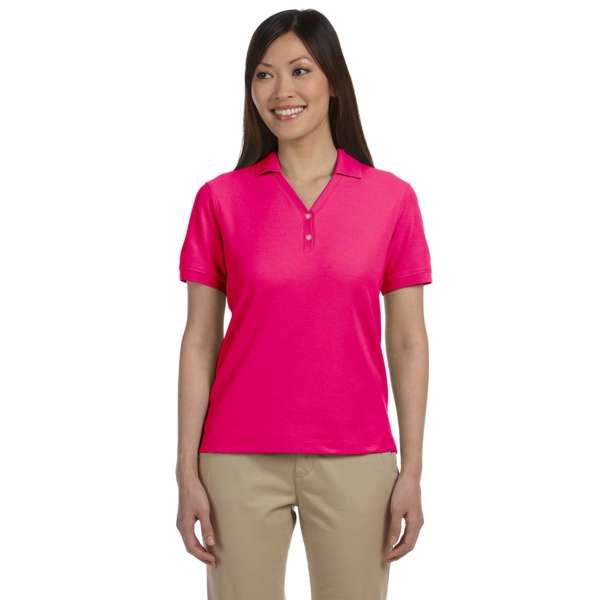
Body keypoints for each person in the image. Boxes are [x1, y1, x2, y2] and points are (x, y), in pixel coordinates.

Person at [175, 9, 432, 600]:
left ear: (333, 81)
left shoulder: (392, 199)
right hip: (235, 458)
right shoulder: (220, 200)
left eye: (300, 70)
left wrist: (413, 470)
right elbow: (199, 340)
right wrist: (186, 469)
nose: (281, 91)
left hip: (358, 455)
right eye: (263, 75)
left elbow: (408, 340)